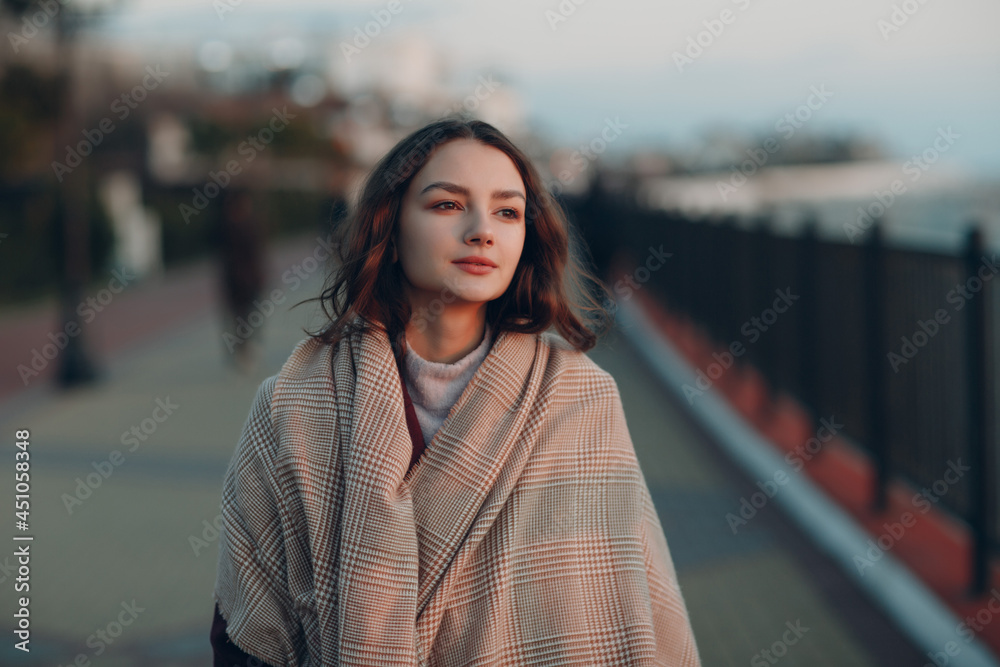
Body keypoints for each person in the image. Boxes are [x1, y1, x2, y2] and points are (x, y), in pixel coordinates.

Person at [210, 117, 702, 666]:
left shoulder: (580, 398)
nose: (482, 230)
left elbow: (624, 608)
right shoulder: (293, 404)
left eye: (507, 211)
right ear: (389, 229)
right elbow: (246, 629)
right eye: (447, 205)